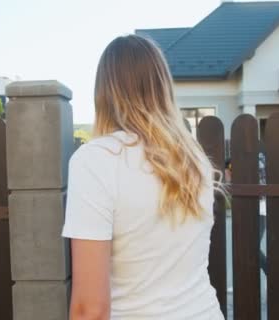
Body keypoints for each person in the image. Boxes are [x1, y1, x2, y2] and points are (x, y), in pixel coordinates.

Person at [62, 35, 225, 320]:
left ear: (104, 93)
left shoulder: (96, 160)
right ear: (163, 87)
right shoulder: (193, 159)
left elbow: (90, 310)